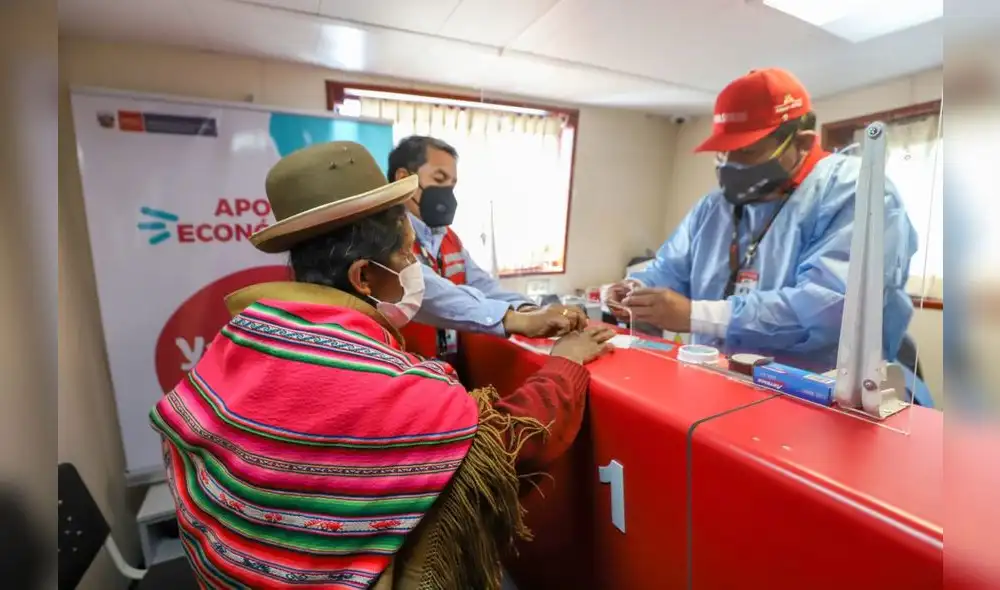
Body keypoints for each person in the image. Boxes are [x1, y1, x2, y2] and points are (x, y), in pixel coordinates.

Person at [149, 141, 614, 589]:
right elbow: (508, 448)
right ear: (364, 278)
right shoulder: (377, 381)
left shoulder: (241, 337)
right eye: (407, 255)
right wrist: (565, 364)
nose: (416, 269)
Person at [607, 68, 933, 407]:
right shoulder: (713, 208)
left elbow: (828, 307)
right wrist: (635, 290)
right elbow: (669, 270)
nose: (730, 165)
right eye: (723, 152)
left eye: (746, 151)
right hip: (717, 385)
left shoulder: (856, 193)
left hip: (817, 401)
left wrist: (696, 314)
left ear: (802, 142)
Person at [387, 135, 586, 359]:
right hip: (402, 368)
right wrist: (516, 320)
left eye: (452, 185)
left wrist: (528, 309)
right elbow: (424, 290)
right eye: (439, 179)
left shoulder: (447, 237)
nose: (447, 192)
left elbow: (482, 284)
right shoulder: (385, 236)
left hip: (445, 365)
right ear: (404, 179)